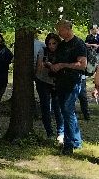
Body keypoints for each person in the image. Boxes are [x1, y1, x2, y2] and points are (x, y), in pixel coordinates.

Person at [46, 18, 88, 155]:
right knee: (66, 111)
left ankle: (69, 144)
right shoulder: (62, 45)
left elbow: (82, 64)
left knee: (67, 109)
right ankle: (77, 141)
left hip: (73, 82)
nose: (59, 33)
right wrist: (52, 66)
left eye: (60, 30)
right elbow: (58, 61)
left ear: (67, 29)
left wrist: (64, 65)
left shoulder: (78, 44)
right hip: (60, 82)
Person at [34, 32, 62, 140]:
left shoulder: (62, 52)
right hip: (43, 81)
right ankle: (49, 132)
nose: (51, 46)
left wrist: (53, 66)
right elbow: (39, 67)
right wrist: (44, 66)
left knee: (57, 107)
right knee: (45, 106)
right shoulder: (43, 51)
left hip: (57, 82)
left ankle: (61, 133)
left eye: (54, 43)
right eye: (49, 43)